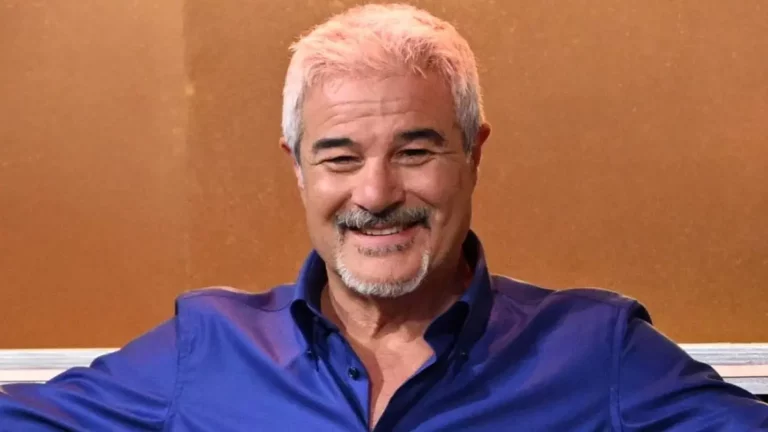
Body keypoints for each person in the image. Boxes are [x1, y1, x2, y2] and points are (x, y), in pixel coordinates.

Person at [2, 3, 767, 431]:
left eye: (415, 150)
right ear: (298, 168)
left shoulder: (597, 351)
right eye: (339, 157)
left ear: (473, 154)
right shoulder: (204, 347)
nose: (374, 194)